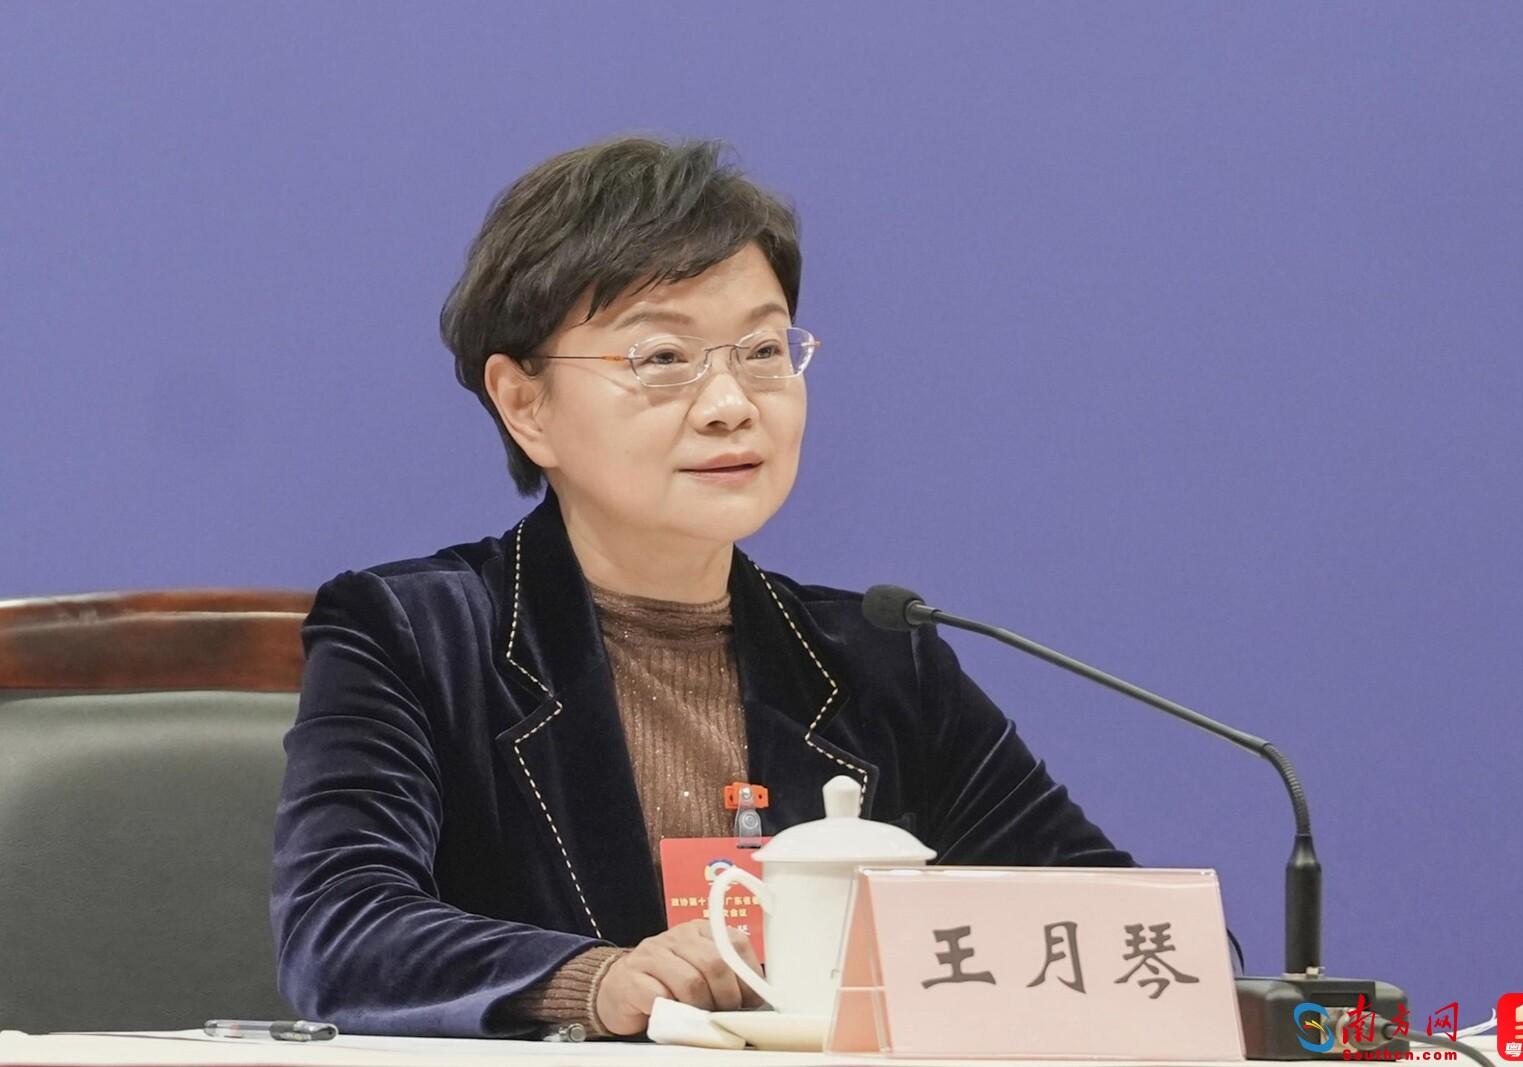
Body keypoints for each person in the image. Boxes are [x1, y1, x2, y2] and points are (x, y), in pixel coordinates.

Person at [270, 134, 1134, 1040]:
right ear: (526, 404)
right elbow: (340, 930)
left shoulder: (880, 662)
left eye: (762, 349)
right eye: (662, 358)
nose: (731, 404)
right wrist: (592, 980)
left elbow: (1120, 931)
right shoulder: (415, 635)